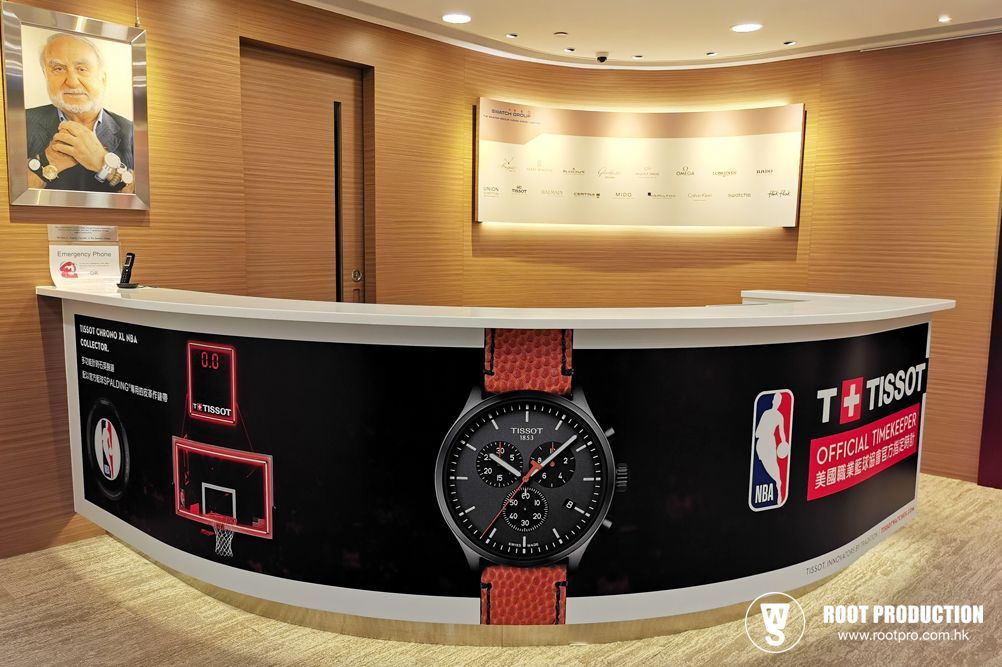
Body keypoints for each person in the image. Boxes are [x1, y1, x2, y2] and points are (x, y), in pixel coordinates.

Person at [25, 32, 135, 193]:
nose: (72, 81)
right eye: (58, 69)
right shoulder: (20, 123)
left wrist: (104, 163)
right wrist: (49, 160)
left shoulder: (132, 132)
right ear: (45, 75)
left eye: (82, 69)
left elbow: (151, 198)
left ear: (103, 78)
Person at [755, 392, 790, 502]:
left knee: (773, 466)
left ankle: (778, 486)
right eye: (776, 400)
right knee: (767, 466)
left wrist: (784, 443)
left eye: (778, 401)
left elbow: (781, 432)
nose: (776, 402)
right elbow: (757, 432)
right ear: (773, 401)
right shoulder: (766, 413)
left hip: (769, 442)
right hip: (762, 443)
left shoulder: (779, 416)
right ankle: (778, 483)